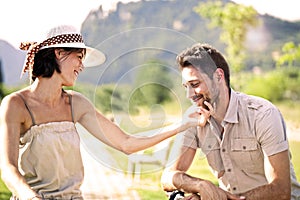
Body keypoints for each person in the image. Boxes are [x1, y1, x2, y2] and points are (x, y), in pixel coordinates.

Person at [0, 25, 205, 200]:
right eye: (79, 57)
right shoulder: (15, 104)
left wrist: (183, 124)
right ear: (59, 53)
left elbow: (127, 143)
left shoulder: (77, 104)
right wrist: (29, 196)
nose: (81, 66)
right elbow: (8, 166)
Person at [161, 43, 300, 200]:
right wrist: (200, 186)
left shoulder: (263, 114)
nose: (189, 94)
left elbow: (281, 191)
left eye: (195, 85)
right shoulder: (194, 118)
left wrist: (219, 198)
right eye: (186, 86)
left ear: (219, 76)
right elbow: (167, 177)